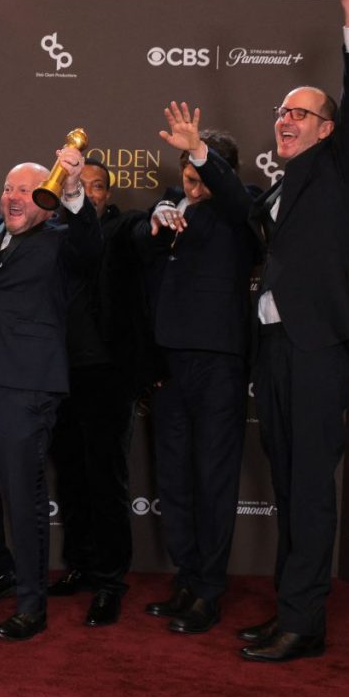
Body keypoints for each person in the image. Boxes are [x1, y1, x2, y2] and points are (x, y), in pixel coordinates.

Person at [163, 0, 349, 661]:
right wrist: (200, 153)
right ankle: (296, 613)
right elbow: (233, 201)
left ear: (325, 129)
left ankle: (304, 623)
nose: (285, 118)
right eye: (281, 110)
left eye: (301, 111)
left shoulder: (339, 173)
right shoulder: (279, 189)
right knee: (289, 487)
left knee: (310, 491)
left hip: (317, 348)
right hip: (277, 354)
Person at [0, 148, 103, 641]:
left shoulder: (61, 241)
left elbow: (90, 249)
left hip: (26, 386)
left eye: (26, 191)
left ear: (47, 200)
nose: (13, 198)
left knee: (23, 499)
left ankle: (33, 606)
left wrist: (73, 189)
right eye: (8, 188)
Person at [134, 132, 257, 636]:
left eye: (201, 176)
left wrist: (207, 167)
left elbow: (231, 198)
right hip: (171, 366)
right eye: (187, 177)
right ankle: (186, 578)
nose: (193, 186)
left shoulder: (239, 207)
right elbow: (142, 261)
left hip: (218, 365)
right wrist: (158, 220)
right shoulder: (170, 213)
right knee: (177, 479)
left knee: (213, 479)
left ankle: (209, 590)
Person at [47, 157, 151, 627]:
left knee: (106, 481)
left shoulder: (124, 226)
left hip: (107, 375)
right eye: (80, 184)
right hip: (59, 374)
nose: (88, 192)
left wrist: (164, 217)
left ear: (109, 194)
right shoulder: (52, 230)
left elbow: (149, 231)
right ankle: (82, 566)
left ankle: (110, 582)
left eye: (97, 186)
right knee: (70, 476)